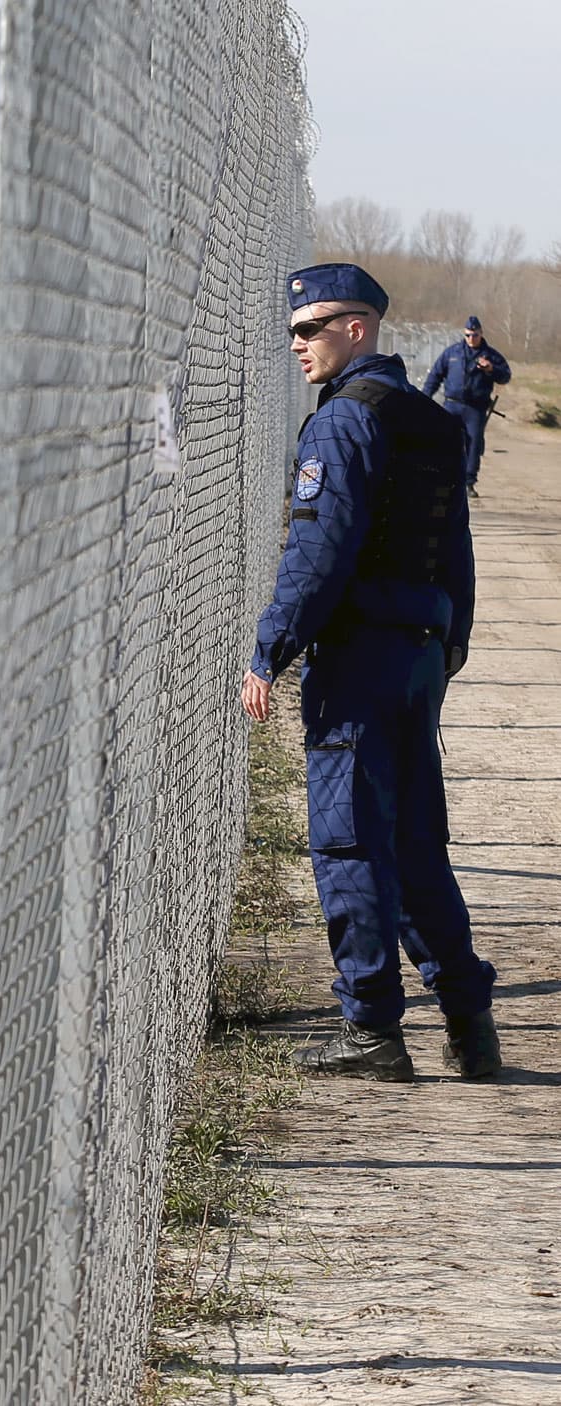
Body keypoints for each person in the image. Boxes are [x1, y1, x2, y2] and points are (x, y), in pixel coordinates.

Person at [241, 262, 498, 1083]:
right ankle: (467, 1019)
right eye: (292, 332)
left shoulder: (342, 423)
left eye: (310, 329)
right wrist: (447, 644)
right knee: (417, 842)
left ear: (357, 329)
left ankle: (372, 1030)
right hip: (419, 651)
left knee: (349, 841)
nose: (297, 345)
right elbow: (453, 548)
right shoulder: (428, 421)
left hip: (357, 661)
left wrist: (270, 649)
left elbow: (319, 551)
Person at [421, 314, 511, 498]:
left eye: (475, 335)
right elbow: (435, 376)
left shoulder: (491, 355)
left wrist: (491, 369)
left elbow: (505, 375)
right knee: (446, 441)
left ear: (481, 334)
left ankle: (468, 482)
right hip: (452, 405)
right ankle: (444, 477)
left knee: (473, 444)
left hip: (475, 408)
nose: (471, 339)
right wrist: (424, 398)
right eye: (468, 335)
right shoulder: (452, 353)